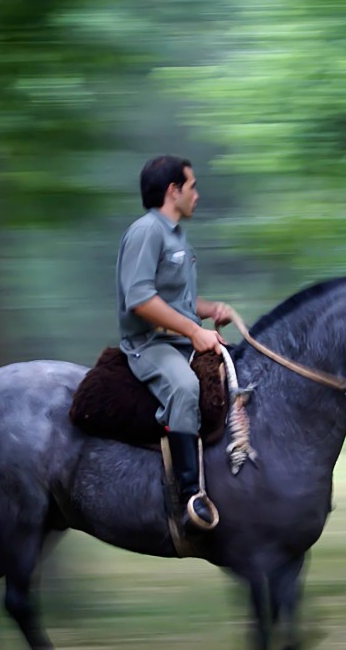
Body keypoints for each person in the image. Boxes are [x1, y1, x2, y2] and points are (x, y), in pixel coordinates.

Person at [116, 155, 232, 531]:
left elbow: (175, 303)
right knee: (185, 388)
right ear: (173, 191)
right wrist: (194, 331)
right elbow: (141, 299)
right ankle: (188, 498)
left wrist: (208, 309)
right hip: (148, 344)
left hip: (178, 341)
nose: (197, 194)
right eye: (192, 186)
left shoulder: (175, 234)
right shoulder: (147, 231)